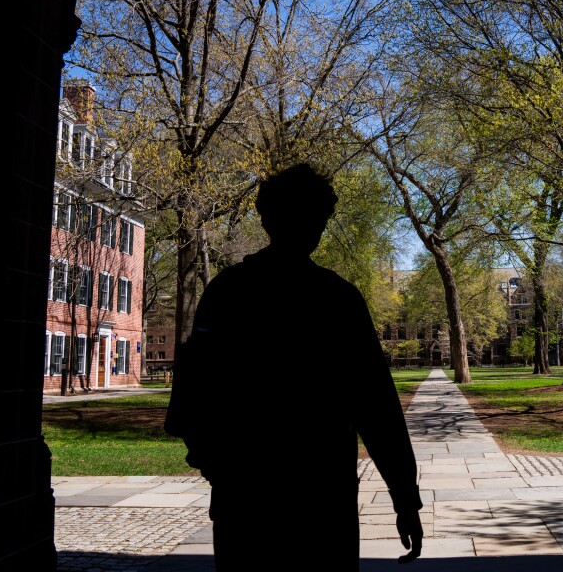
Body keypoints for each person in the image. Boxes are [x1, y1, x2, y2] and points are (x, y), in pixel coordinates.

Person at [165, 163, 423, 570]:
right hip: (319, 491)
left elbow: (191, 396)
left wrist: (215, 463)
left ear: (265, 217)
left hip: (246, 491)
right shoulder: (339, 299)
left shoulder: (227, 292)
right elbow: (377, 408)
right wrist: (404, 496)